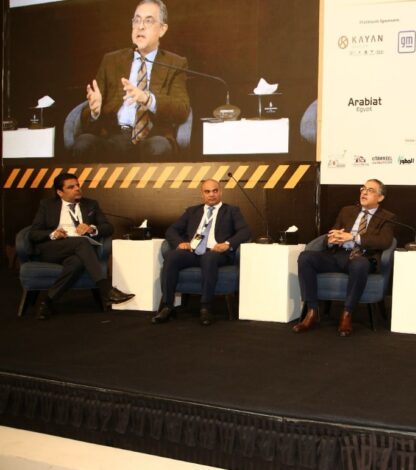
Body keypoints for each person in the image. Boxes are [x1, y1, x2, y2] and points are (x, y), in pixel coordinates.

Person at [73, 0, 190, 160]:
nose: (140, 26)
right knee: (84, 144)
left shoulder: (175, 63)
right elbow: (88, 115)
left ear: (162, 29)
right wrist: (95, 111)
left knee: (158, 147)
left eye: (148, 21)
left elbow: (182, 109)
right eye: (137, 20)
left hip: (153, 137)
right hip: (114, 136)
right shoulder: (111, 61)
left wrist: (147, 99)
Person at [294, 179, 395, 336]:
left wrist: (354, 237)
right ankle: (311, 311)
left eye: (370, 190)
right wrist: (331, 239)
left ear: (380, 197)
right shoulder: (347, 211)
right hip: (339, 255)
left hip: (362, 257)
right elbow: (334, 232)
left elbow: (384, 241)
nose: (364, 192)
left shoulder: (387, 217)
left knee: (360, 264)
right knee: (306, 257)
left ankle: (347, 313)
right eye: (363, 189)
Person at [29, 173, 135, 320]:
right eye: (71, 187)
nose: (77, 189)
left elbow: (108, 227)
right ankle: (106, 289)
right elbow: (33, 233)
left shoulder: (91, 204)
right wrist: (53, 234)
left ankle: (47, 302)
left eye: (78, 185)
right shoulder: (47, 205)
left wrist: (91, 229)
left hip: (80, 251)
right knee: (82, 242)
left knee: (76, 262)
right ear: (60, 192)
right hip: (54, 248)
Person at [152, 179, 251, 326]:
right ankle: (167, 307)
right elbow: (171, 230)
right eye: (207, 191)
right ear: (202, 194)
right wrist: (180, 243)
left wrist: (227, 244)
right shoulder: (192, 211)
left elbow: (245, 231)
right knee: (172, 256)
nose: (212, 194)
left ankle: (206, 307)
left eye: (215, 191)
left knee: (208, 257)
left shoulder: (231, 211)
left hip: (217, 253)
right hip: (193, 252)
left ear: (220, 192)